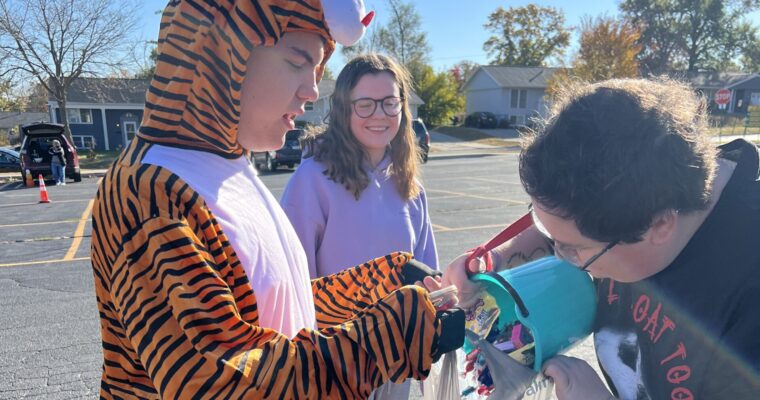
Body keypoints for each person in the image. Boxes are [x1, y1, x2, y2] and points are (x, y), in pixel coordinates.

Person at [89, 1, 464, 399]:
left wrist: (381, 281)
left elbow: (284, 307)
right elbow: (218, 379)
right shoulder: (149, 193)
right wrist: (385, 339)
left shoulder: (229, 167)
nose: (313, 88)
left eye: (316, 67)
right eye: (296, 62)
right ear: (220, 51)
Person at [441, 78, 760, 399]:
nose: (562, 257)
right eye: (554, 237)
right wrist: (492, 261)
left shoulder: (748, 292)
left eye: (577, 251)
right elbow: (566, 225)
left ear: (659, 226)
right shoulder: (641, 186)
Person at [280, 54, 438, 399]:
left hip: (398, 358)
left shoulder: (411, 187)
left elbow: (428, 279)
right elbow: (292, 284)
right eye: (365, 104)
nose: (379, 114)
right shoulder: (312, 180)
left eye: (389, 103)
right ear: (344, 109)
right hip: (336, 363)